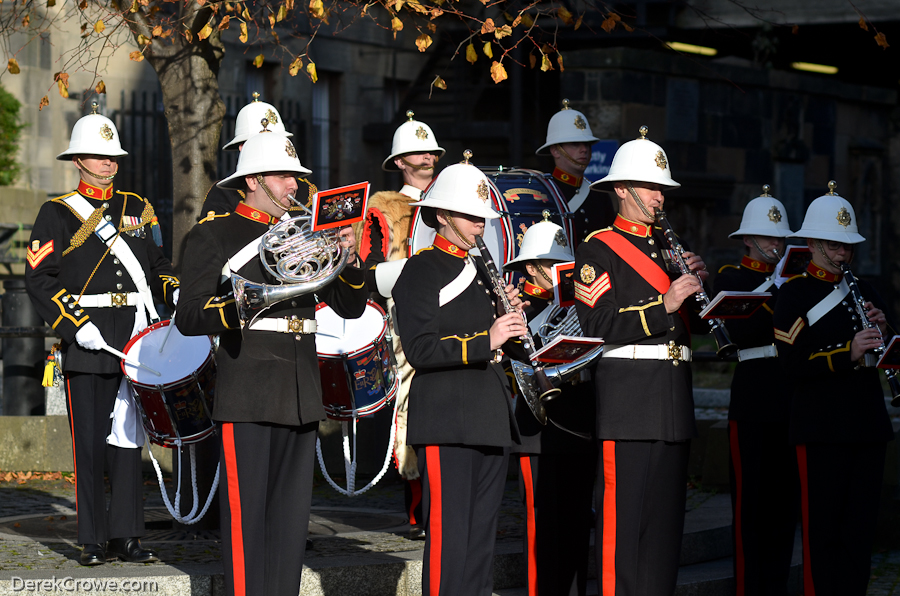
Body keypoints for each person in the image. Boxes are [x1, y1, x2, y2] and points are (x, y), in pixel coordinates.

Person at [175, 131, 367, 596]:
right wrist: (240, 306)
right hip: (250, 387)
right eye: (285, 177)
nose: (295, 186)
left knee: (289, 524)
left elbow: (352, 307)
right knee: (247, 521)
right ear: (255, 180)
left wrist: (349, 251)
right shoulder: (214, 234)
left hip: (300, 388)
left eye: (298, 177)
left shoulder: (309, 233)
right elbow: (188, 315)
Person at [25, 103, 177, 566]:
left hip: (135, 337)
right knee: (89, 443)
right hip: (88, 341)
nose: (108, 161)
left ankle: (127, 535)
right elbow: (40, 278)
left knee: (130, 441)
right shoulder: (56, 214)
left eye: (112, 154)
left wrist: (167, 314)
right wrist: (76, 326)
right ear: (78, 161)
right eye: (97, 154)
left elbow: (158, 267)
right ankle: (91, 538)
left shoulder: (138, 208)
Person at [574, 126, 708, 595]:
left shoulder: (669, 250)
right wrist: (666, 303)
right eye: (652, 188)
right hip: (628, 402)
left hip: (672, 400)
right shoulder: (596, 248)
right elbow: (597, 327)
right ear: (622, 190)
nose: (660, 197)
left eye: (663, 189)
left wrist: (698, 293)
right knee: (622, 530)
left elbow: (696, 330)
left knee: (663, 535)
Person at [392, 153, 524, 595]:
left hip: (488, 415)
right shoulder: (422, 268)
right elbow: (421, 348)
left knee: (481, 545)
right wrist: (486, 339)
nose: (480, 225)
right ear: (443, 216)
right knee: (451, 543)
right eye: (471, 216)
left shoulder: (485, 271)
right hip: (447, 419)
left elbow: (501, 345)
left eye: (483, 217)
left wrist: (513, 321)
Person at [773, 181, 893, 596]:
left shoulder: (865, 289)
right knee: (822, 533)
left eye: (847, 247)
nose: (843, 254)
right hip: (820, 428)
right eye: (834, 246)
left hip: (867, 426)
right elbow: (791, 363)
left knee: (859, 536)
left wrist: (883, 329)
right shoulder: (793, 294)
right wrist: (847, 352)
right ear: (812, 243)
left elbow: (890, 351)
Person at [352, 110, 445, 540]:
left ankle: (448, 505)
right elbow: (367, 270)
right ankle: (422, 511)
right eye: (416, 153)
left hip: (456, 317)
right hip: (406, 321)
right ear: (399, 162)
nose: (426, 158)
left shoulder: (455, 197)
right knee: (412, 415)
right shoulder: (382, 209)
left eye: (430, 151)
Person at [503, 214, 595, 596]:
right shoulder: (512, 306)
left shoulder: (581, 301)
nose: (560, 272)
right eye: (550, 265)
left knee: (577, 522)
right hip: (537, 427)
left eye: (563, 264)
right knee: (543, 526)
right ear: (530, 268)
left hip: (581, 419)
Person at [712, 186, 798, 595]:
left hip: (791, 403)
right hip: (753, 402)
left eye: (781, 238)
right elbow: (742, 328)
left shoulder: (793, 281)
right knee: (751, 510)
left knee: (784, 511)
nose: (775, 245)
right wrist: (779, 289)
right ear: (747, 238)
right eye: (767, 237)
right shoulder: (733, 277)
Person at [200, 92, 316, 218]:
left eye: (277, 140)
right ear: (243, 148)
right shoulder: (224, 195)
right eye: (261, 142)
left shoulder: (306, 190)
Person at [536, 99, 616, 243]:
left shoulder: (599, 194)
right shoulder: (543, 193)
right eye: (575, 144)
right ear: (555, 150)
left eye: (587, 144)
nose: (584, 149)